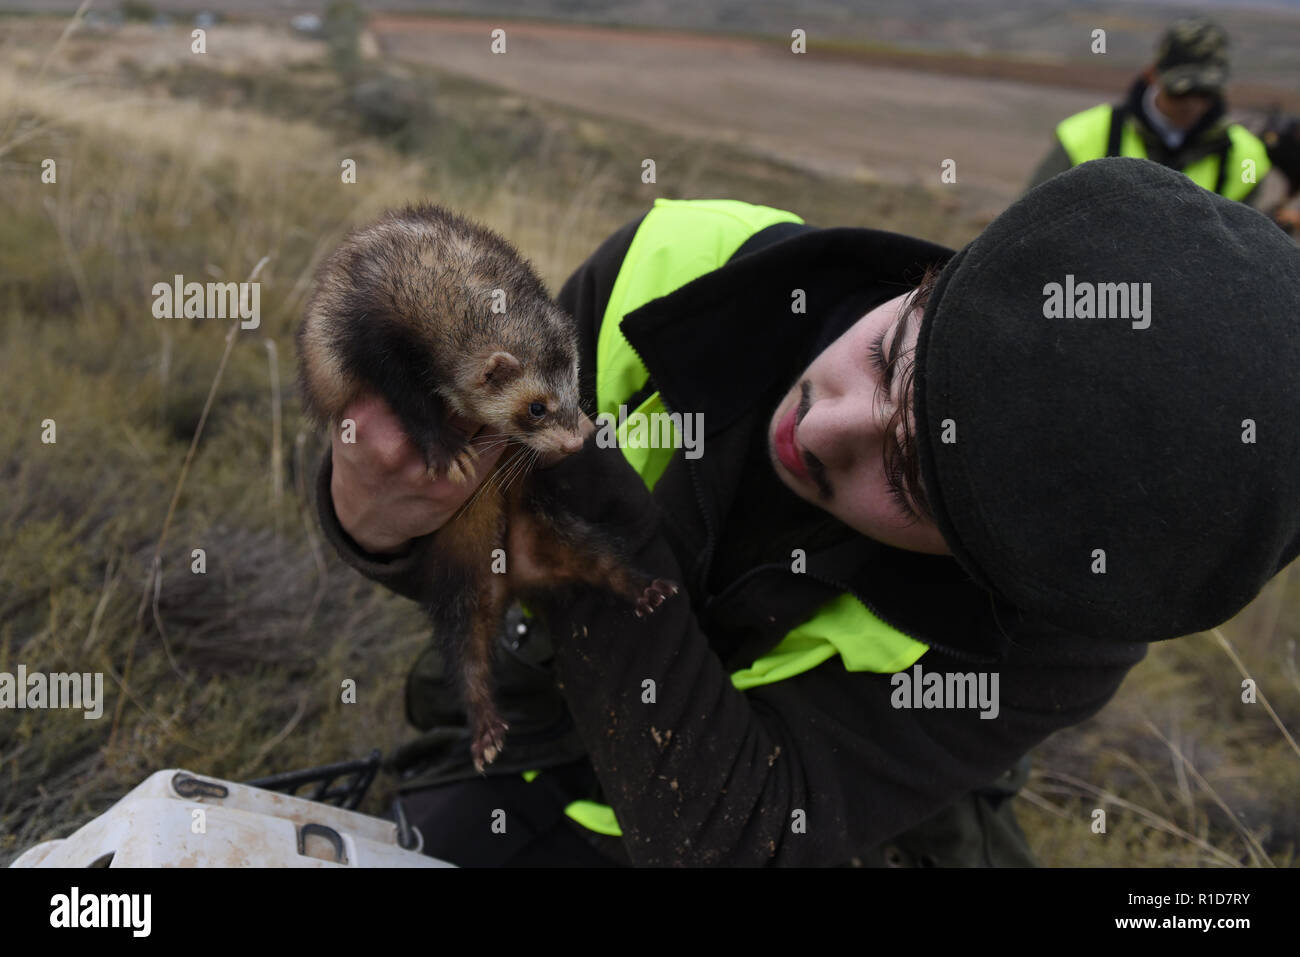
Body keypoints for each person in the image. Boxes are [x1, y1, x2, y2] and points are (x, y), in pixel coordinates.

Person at [314, 159, 1300, 867]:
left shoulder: (1056, 631)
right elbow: (469, 549)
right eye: (891, 353)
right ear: (935, 277)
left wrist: (577, 504)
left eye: (908, 481)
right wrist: (376, 520)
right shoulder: (684, 267)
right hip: (529, 751)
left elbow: (735, 836)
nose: (828, 425)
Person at [1025, 18, 1275, 206]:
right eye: (1181, 92)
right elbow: (1025, 224)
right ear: (1152, 75)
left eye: (1205, 93)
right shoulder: (1084, 136)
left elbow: (1244, 250)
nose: (1193, 105)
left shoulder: (1246, 157)